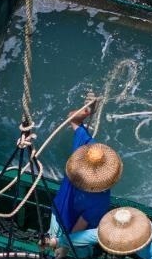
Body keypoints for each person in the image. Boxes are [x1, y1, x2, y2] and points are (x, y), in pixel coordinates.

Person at [40, 104, 122, 248]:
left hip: (57, 213)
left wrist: (86, 111)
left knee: (52, 238)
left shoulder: (86, 147)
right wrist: (64, 248)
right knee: (80, 251)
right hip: (71, 230)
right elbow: (79, 229)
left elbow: (73, 118)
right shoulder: (100, 200)